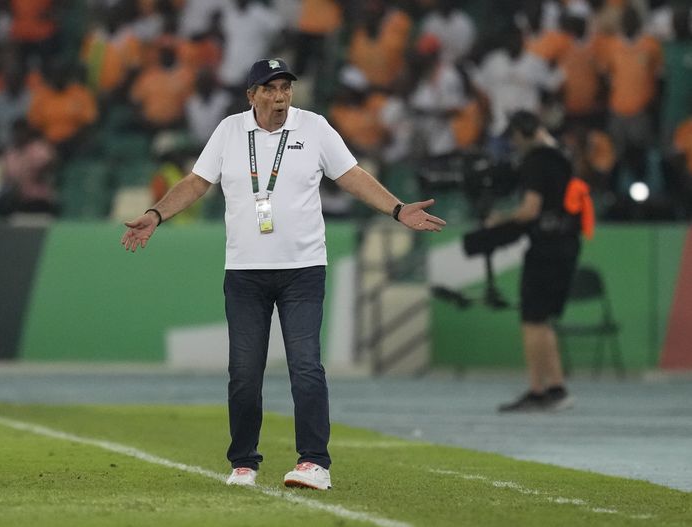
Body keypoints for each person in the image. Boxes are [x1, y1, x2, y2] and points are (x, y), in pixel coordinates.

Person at [121, 58, 446, 489]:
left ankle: (314, 463)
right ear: (251, 95)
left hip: (302, 270)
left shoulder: (314, 127)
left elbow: (350, 176)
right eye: (270, 90)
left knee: (307, 366)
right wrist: (156, 214)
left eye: (286, 89)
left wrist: (398, 209)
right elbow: (197, 183)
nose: (279, 98)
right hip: (245, 273)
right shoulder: (229, 131)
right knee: (244, 372)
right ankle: (243, 464)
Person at [485, 110, 592, 413]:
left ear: (522, 132)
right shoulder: (562, 156)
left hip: (546, 247)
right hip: (567, 244)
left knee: (532, 320)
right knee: (543, 320)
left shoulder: (536, 160)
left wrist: (500, 220)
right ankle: (556, 388)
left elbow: (531, 209)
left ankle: (536, 389)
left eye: (515, 136)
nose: (514, 143)